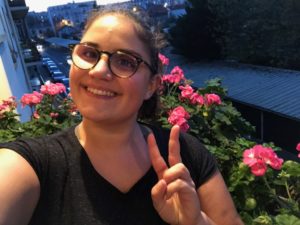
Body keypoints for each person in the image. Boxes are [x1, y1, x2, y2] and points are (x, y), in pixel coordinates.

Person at [0, 7, 244, 225]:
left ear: (151, 85)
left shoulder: (186, 156)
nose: (99, 70)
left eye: (125, 62)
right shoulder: (33, 165)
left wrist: (196, 222)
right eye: (89, 54)